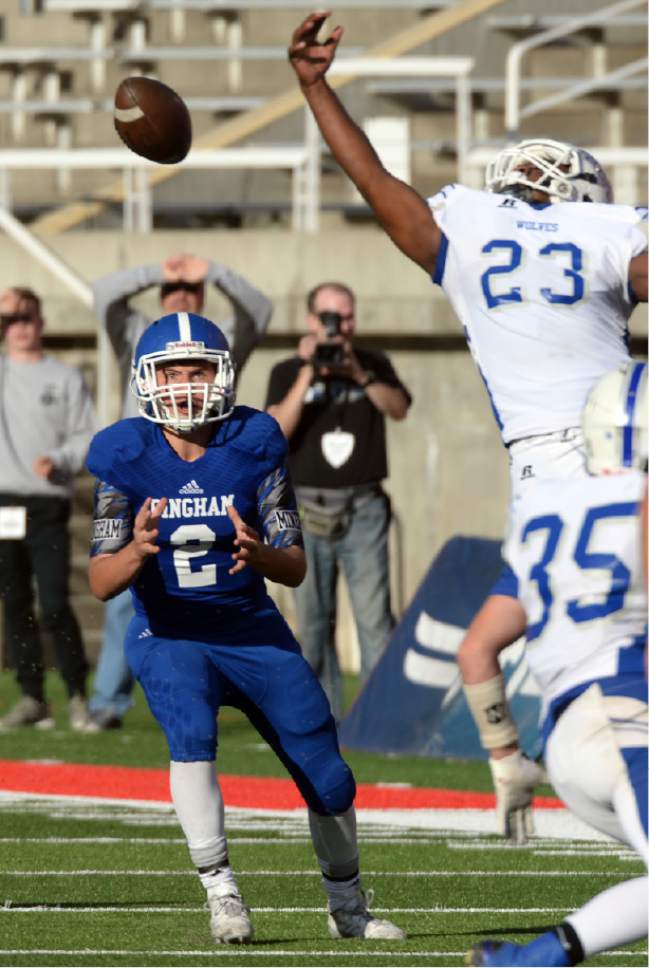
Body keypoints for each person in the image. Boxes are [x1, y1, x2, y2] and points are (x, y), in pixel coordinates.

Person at [287, 11, 647, 829]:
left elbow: (374, 181)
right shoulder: (603, 230)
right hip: (625, 445)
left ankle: (507, 758)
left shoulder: (467, 227)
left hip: (538, 474)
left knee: (534, 632)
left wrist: (314, 88)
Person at [85, 310, 405, 945]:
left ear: (223, 374)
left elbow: (293, 566)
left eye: (197, 369)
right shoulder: (125, 454)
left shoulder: (256, 442)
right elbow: (100, 580)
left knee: (330, 774)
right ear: (148, 379)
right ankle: (221, 891)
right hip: (170, 631)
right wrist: (137, 550)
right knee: (192, 732)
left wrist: (259, 554)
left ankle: (348, 907)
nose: (185, 384)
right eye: (171, 371)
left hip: (252, 628)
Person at [460, 360, 648, 967]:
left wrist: (506, 759)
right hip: (626, 721)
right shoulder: (640, 504)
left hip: (569, 744)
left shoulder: (547, 511)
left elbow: (476, 650)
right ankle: (530, 960)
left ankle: (535, 956)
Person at [88, 252, 273, 729]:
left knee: (222, 585)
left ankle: (224, 688)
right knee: (126, 585)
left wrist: (214, 269)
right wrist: (159, 270)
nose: (181, 299)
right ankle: (108, 701)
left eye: (191, 294)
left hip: (212, 471)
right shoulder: (140, 336)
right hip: (146, 473)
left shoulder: (218, 343)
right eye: (172, 293)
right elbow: (105, 293)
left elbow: (260, 309)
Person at [265, 281, 411, 720]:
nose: (338, 326)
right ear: (312, 321)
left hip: (363, 508)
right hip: (305, 511)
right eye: (329, 317)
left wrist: (357, 373)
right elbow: (275, 431)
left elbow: (399, 408)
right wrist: (310, 371)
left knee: (374, 622)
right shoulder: (289, 369)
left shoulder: (373, 362)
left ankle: (377, 720)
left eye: (345, 317)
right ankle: (322, 719)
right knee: (313, 625)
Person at [0, 286, 96, 731]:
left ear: (41, 321)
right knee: (15, 602)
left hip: (47, 504)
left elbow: (86, 437)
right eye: (9, 319)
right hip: (3, 503)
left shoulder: (64, 377)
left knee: (55, 601)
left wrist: (58, 460)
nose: (19, 326)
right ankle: (32, 696)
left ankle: (77, 693)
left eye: (27, 316)